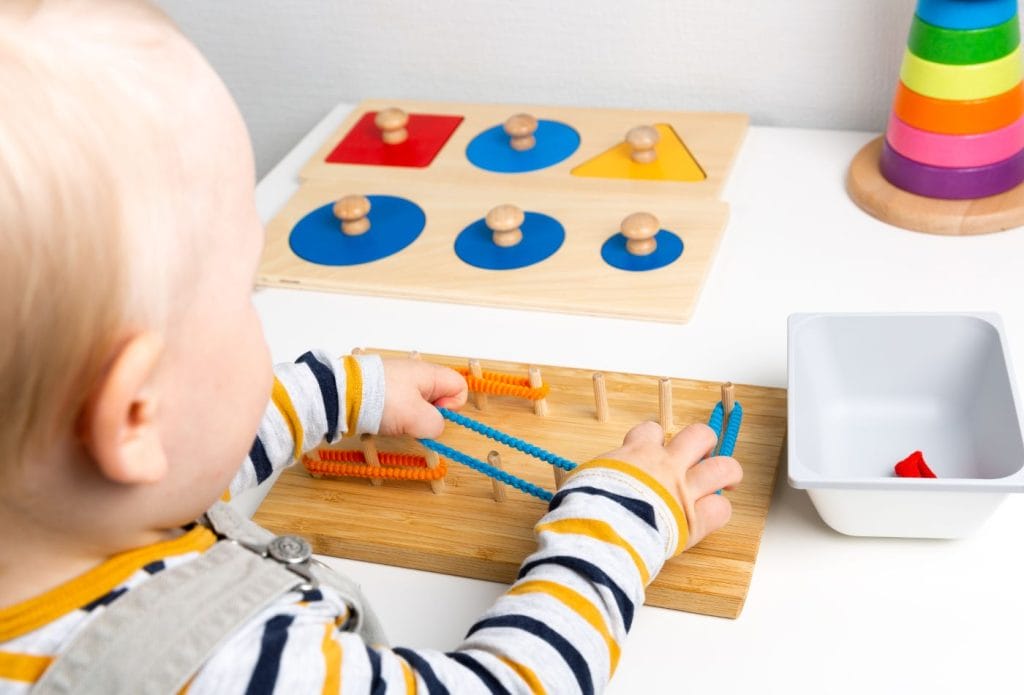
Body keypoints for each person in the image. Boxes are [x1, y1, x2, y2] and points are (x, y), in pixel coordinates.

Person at [0, 1, 742, 692]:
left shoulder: (54, 515)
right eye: (240, 298)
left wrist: (339, 392)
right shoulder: (239, 667)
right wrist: (614, 527)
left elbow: (186, 453)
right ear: (134, 413)